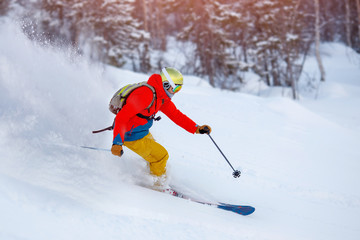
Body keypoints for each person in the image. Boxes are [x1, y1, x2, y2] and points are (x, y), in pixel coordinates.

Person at [110, 67, 211, 187]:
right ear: (166, 84)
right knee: (161, 156)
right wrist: (117, 143)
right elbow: (122, 118)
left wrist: (196, 128)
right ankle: (158, 185)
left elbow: (176, 115)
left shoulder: (161, 96)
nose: (176, 92)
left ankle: (154, 176)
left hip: (142, 132)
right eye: (176, 88)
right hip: (130, 136)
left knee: (155, 156)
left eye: (179, 88)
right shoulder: (145, 94)